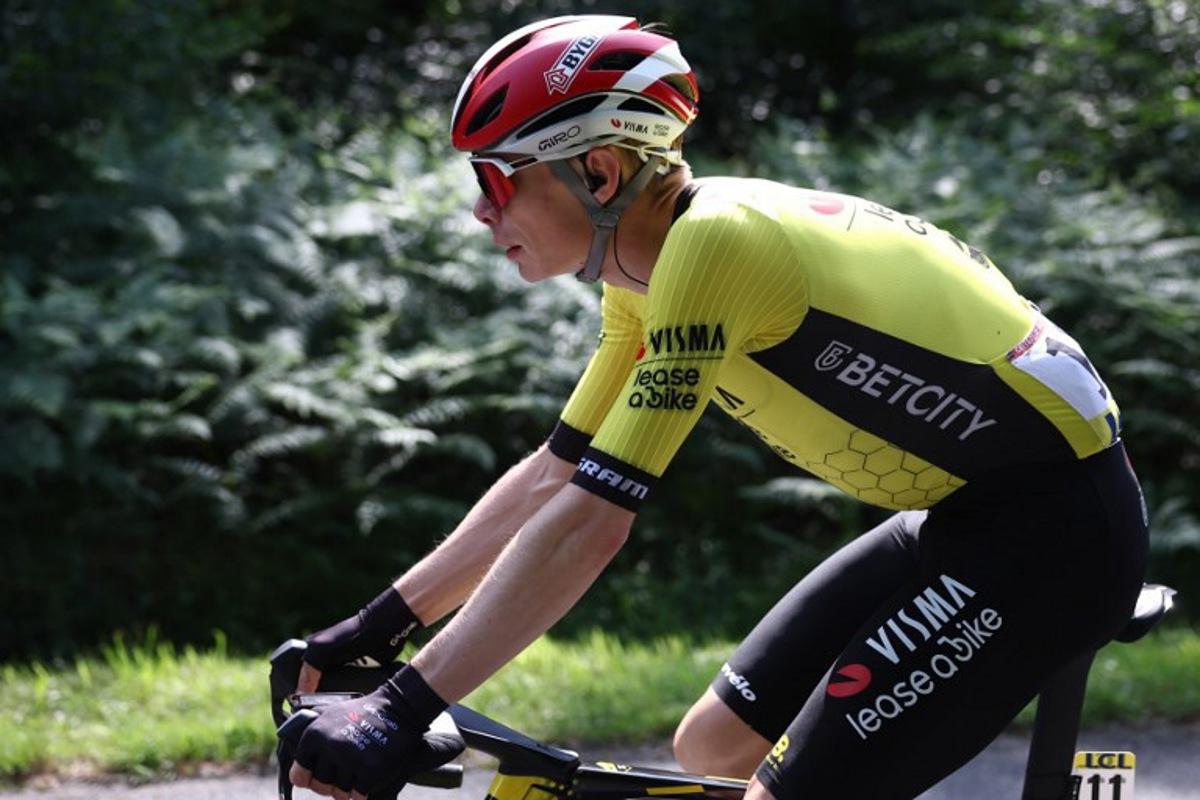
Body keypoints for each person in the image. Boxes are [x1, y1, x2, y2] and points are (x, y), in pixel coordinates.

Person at [286, 14, 1149, 800]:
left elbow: (592, 522)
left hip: (1057, 536)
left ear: (599, 169)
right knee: (717, 745)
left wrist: (397, 711)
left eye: (496, 176)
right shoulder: (642, 267)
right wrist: (373, 630)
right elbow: (556, 474)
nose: (480, 211)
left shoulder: (714, 245)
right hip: (962, 515)